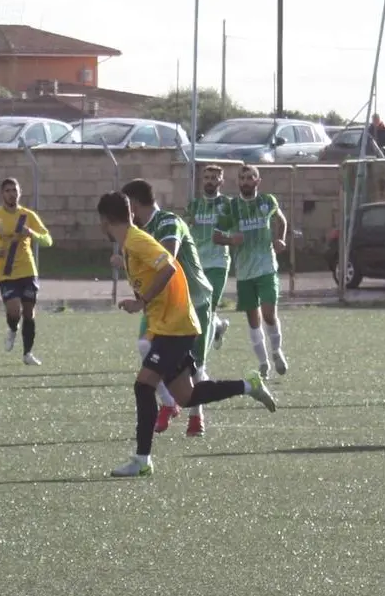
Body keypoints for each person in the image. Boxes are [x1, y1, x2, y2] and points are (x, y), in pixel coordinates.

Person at [97, 191, 275, 478]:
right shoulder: (131, 243)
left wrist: (142, 301)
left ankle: (142, 459)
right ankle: (249, 385)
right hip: (166, 326)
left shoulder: (137, 240)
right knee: (186, 395)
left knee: (143, 386)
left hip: (175, 326)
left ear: (105, 220)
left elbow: (168, 266)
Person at [120, 179, 214, 437]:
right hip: (162, 302)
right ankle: (169, 402)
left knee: (196, 364)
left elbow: (167, 260)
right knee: (144, 344)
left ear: (133, 204)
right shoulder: (138, 231)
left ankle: (196, 416)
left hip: (193, 300)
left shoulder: (168, 222)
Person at [213, 165, 289, 379]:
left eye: (250, 177)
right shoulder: (232, 207)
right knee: (253, 319)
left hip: (266, 268)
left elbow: (281, 220)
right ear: (238, 182)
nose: (245, 181)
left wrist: (280, 239)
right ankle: (263, 363)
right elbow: (216, 236)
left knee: (269, 314)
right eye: (242, 178)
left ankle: (277, 351)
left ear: (258, 181)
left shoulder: (267, 201)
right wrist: (231, 240)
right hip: (245, 272)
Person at [0, 177, 52, 365]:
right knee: (13, 310)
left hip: (27, 269)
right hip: (6, 271)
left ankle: (27, 354)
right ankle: (12, 329)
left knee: (29, 312)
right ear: (2, 194)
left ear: (20, 193)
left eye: (15, 190)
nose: (12, 194)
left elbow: (48, 240)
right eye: (8, 191)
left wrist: (32, 234)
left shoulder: (28, 215)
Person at [186, 164, 233, 351]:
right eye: (207, 178)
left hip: (218, 262)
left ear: (221, 181)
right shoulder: (194, 205)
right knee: (196, 307)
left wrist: (229, 239)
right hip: (197, 263)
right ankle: (218, 327)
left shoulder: (228, 205)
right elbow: (185, 228)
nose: (210, 181)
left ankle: (200, 360)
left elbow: (236, 230)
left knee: (209, 309)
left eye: (214, 178)